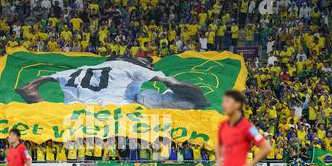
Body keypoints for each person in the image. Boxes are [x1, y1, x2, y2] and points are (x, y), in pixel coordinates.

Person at [15, 56, 210, 110]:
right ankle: (193, 104)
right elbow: (167, 80)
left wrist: (34, 87)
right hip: (118, 107)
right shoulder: (132, 67)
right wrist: (176, 86)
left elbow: (47, 78)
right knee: (146, 95)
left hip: (79, 109)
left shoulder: (81, 69)